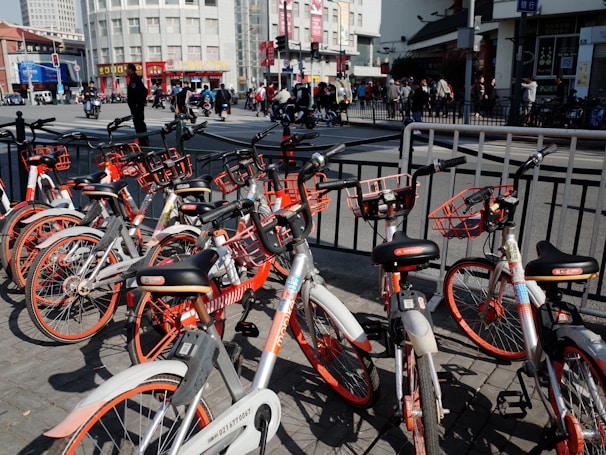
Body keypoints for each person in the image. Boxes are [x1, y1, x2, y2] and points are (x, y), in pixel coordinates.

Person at [126, 63, 149, 146]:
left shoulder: (135, 79)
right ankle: (143, 139)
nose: (126, 70)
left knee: (139, 123)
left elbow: (138, 93)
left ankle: (143, 141)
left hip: (137, 106)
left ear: (131, 70)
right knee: (140, 122)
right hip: (137, 105)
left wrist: (137, 103)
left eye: (127, 69)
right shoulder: (134, 79)